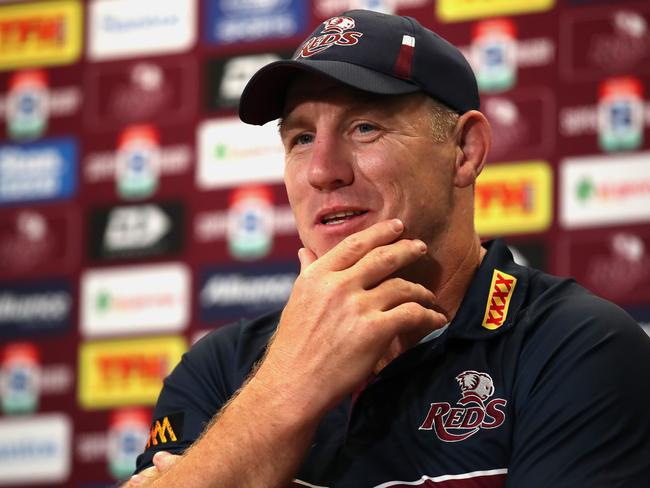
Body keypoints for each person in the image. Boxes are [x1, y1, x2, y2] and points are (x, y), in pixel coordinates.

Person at [127, 9, 650, 488]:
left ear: (465, 152)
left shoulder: (578, 346)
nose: (323, 171)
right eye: (301, 138)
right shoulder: (219, 368)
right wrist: (286, 388)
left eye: (364, 127)